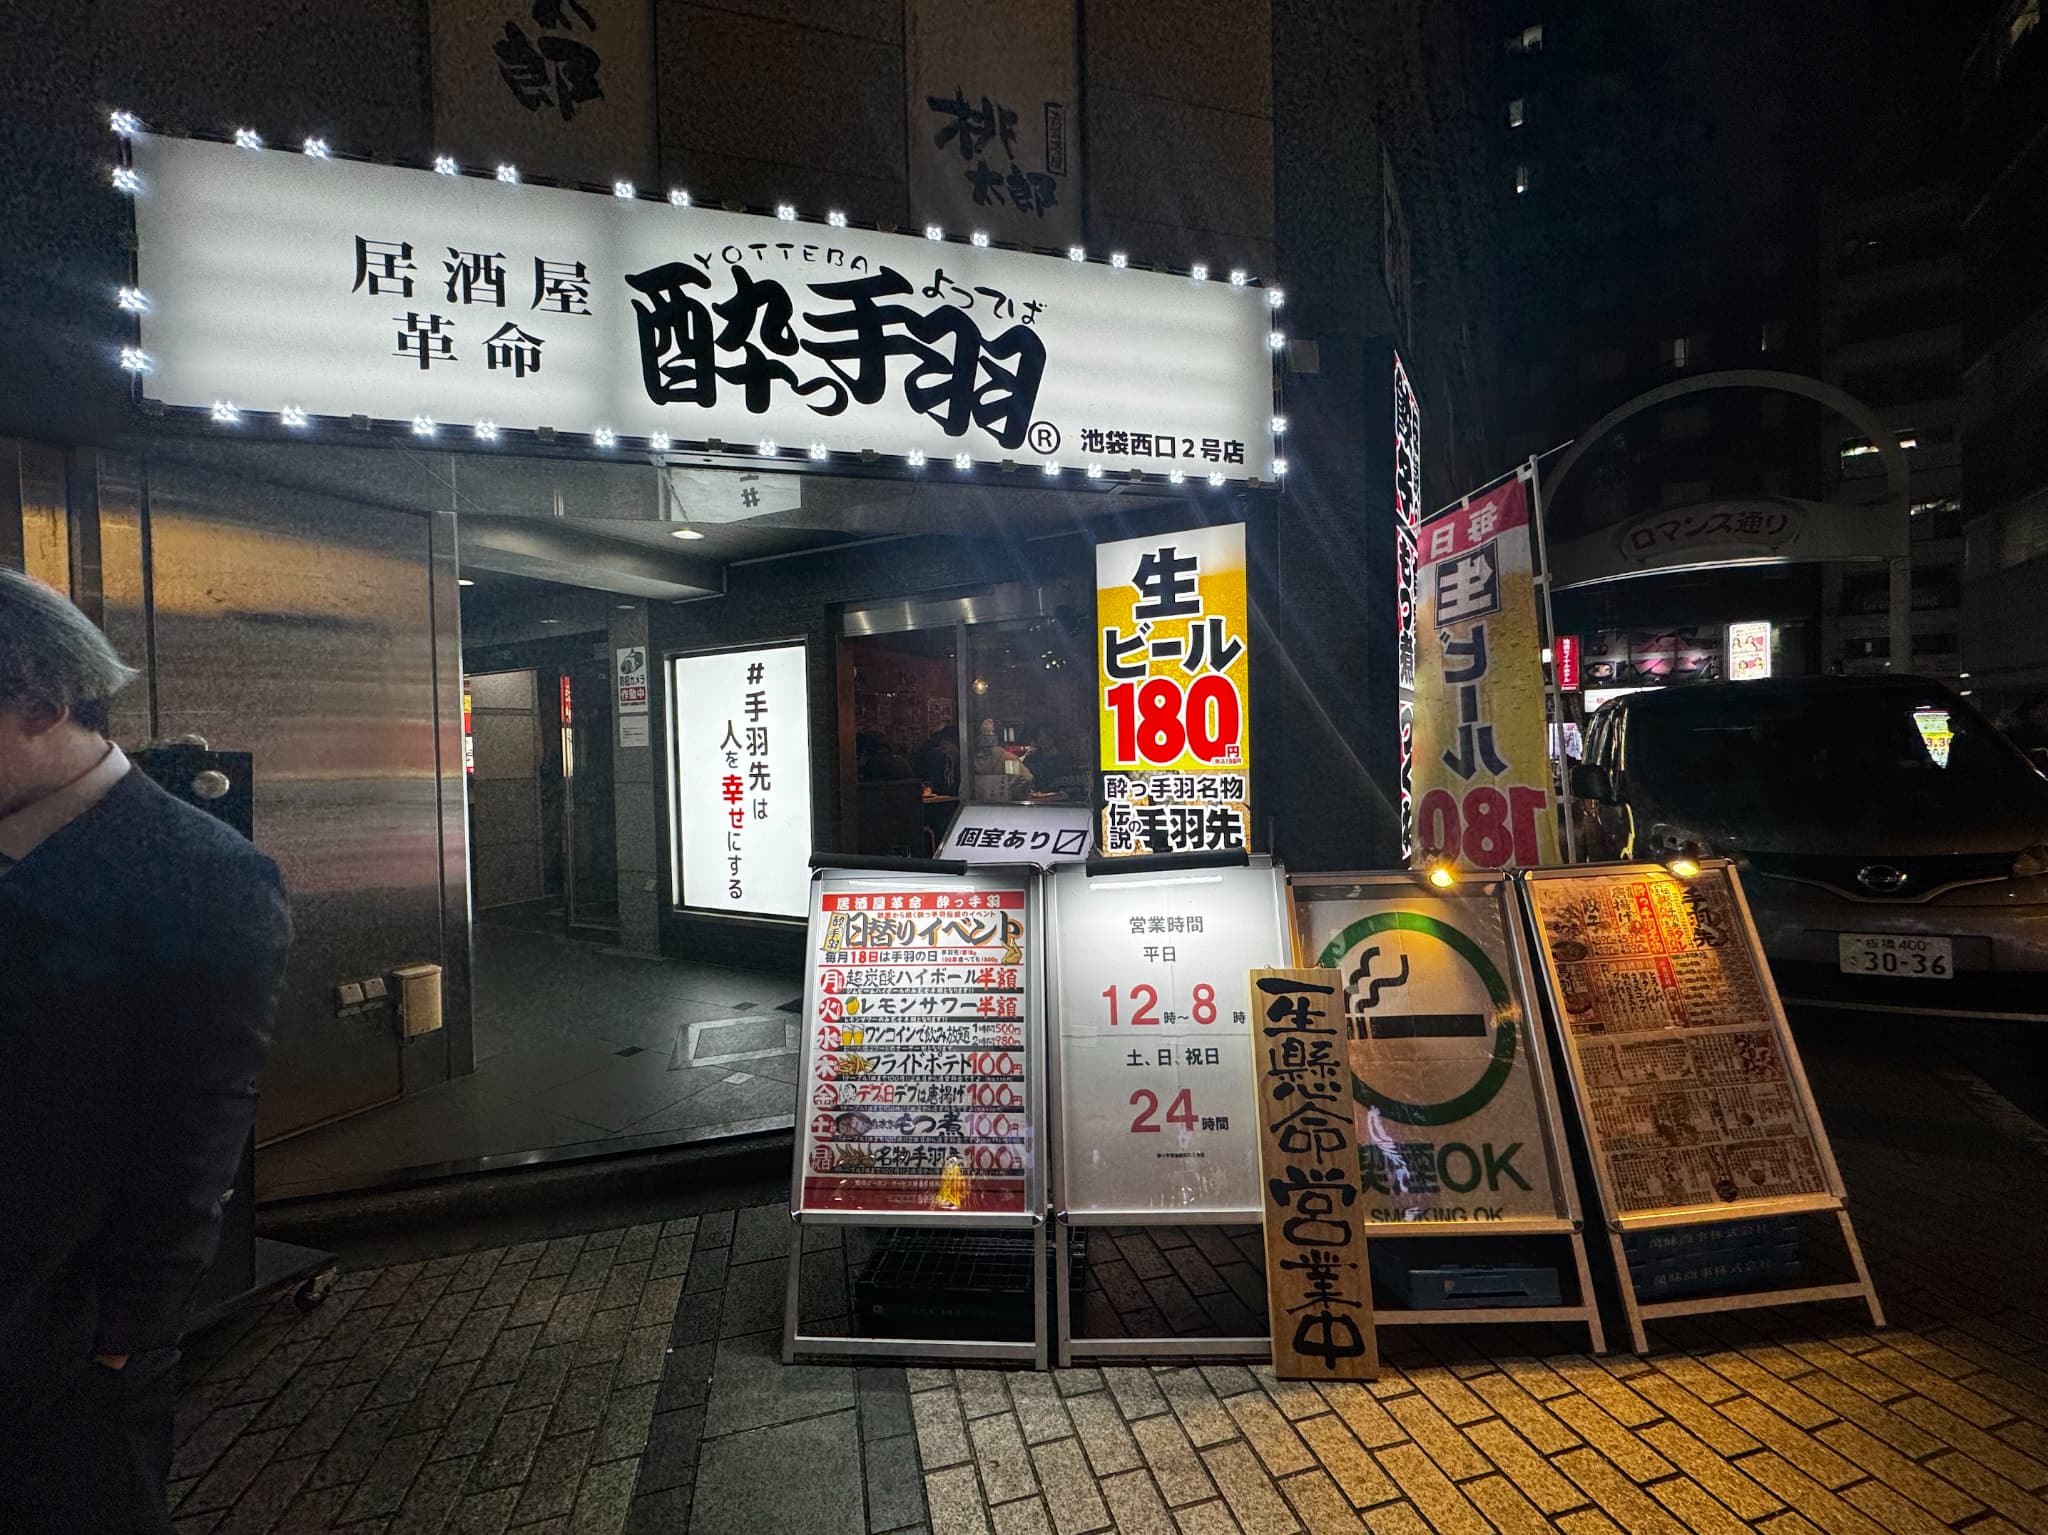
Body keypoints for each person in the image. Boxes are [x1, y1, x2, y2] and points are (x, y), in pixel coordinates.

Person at [0, 569, 292, 1533]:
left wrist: (122, 1337)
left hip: (64, 1344)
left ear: (44, 703)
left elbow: (196, 1137)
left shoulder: (204, 876)